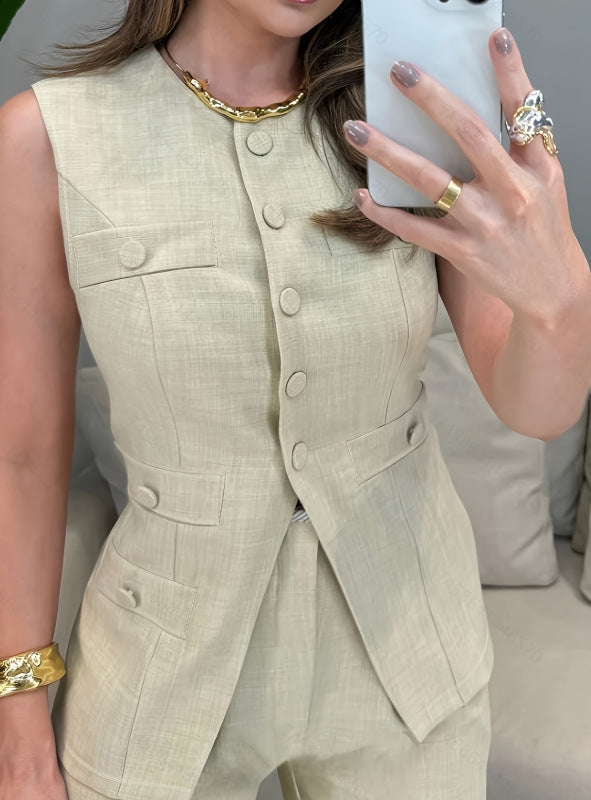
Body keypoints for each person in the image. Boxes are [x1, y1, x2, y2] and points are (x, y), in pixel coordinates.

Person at [1, 1, 590, 798]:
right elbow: (22, 455)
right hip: (159, 671)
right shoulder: (49, 138)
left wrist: (561, 300)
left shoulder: (413, 116)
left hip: (409, 655)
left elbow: (536, 410)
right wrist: (19, 719)